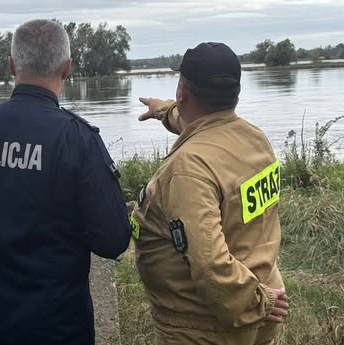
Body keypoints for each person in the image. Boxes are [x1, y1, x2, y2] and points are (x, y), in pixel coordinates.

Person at [0, 19, 131, 345]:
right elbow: (112, 240)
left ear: (12, 65)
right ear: (67, 68)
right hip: (59, 328)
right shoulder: (77, 138)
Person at [131, 42, 289, 345]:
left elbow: (209, 262)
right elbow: (202, 125)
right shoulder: (253, 139)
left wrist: (258, 302)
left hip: (203, 326)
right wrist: (162, 111)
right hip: (254, 306)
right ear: (236, 93)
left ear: (183, 91)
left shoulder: (189, 168)